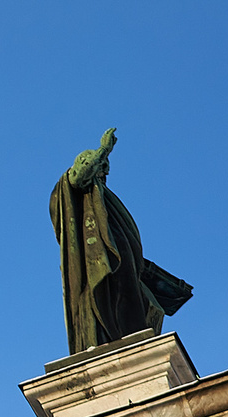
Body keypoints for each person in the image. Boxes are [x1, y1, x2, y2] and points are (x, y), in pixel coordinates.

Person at [48, 129, 192, 355]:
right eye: (93, 161)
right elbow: (78, 177)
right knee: (115, 303)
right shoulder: (75, 186)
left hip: (125, 265)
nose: (100, 166)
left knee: (149, 306)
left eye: (103, 164)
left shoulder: (104, 197)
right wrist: (103, 149)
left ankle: (136, 345)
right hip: (103, 263)